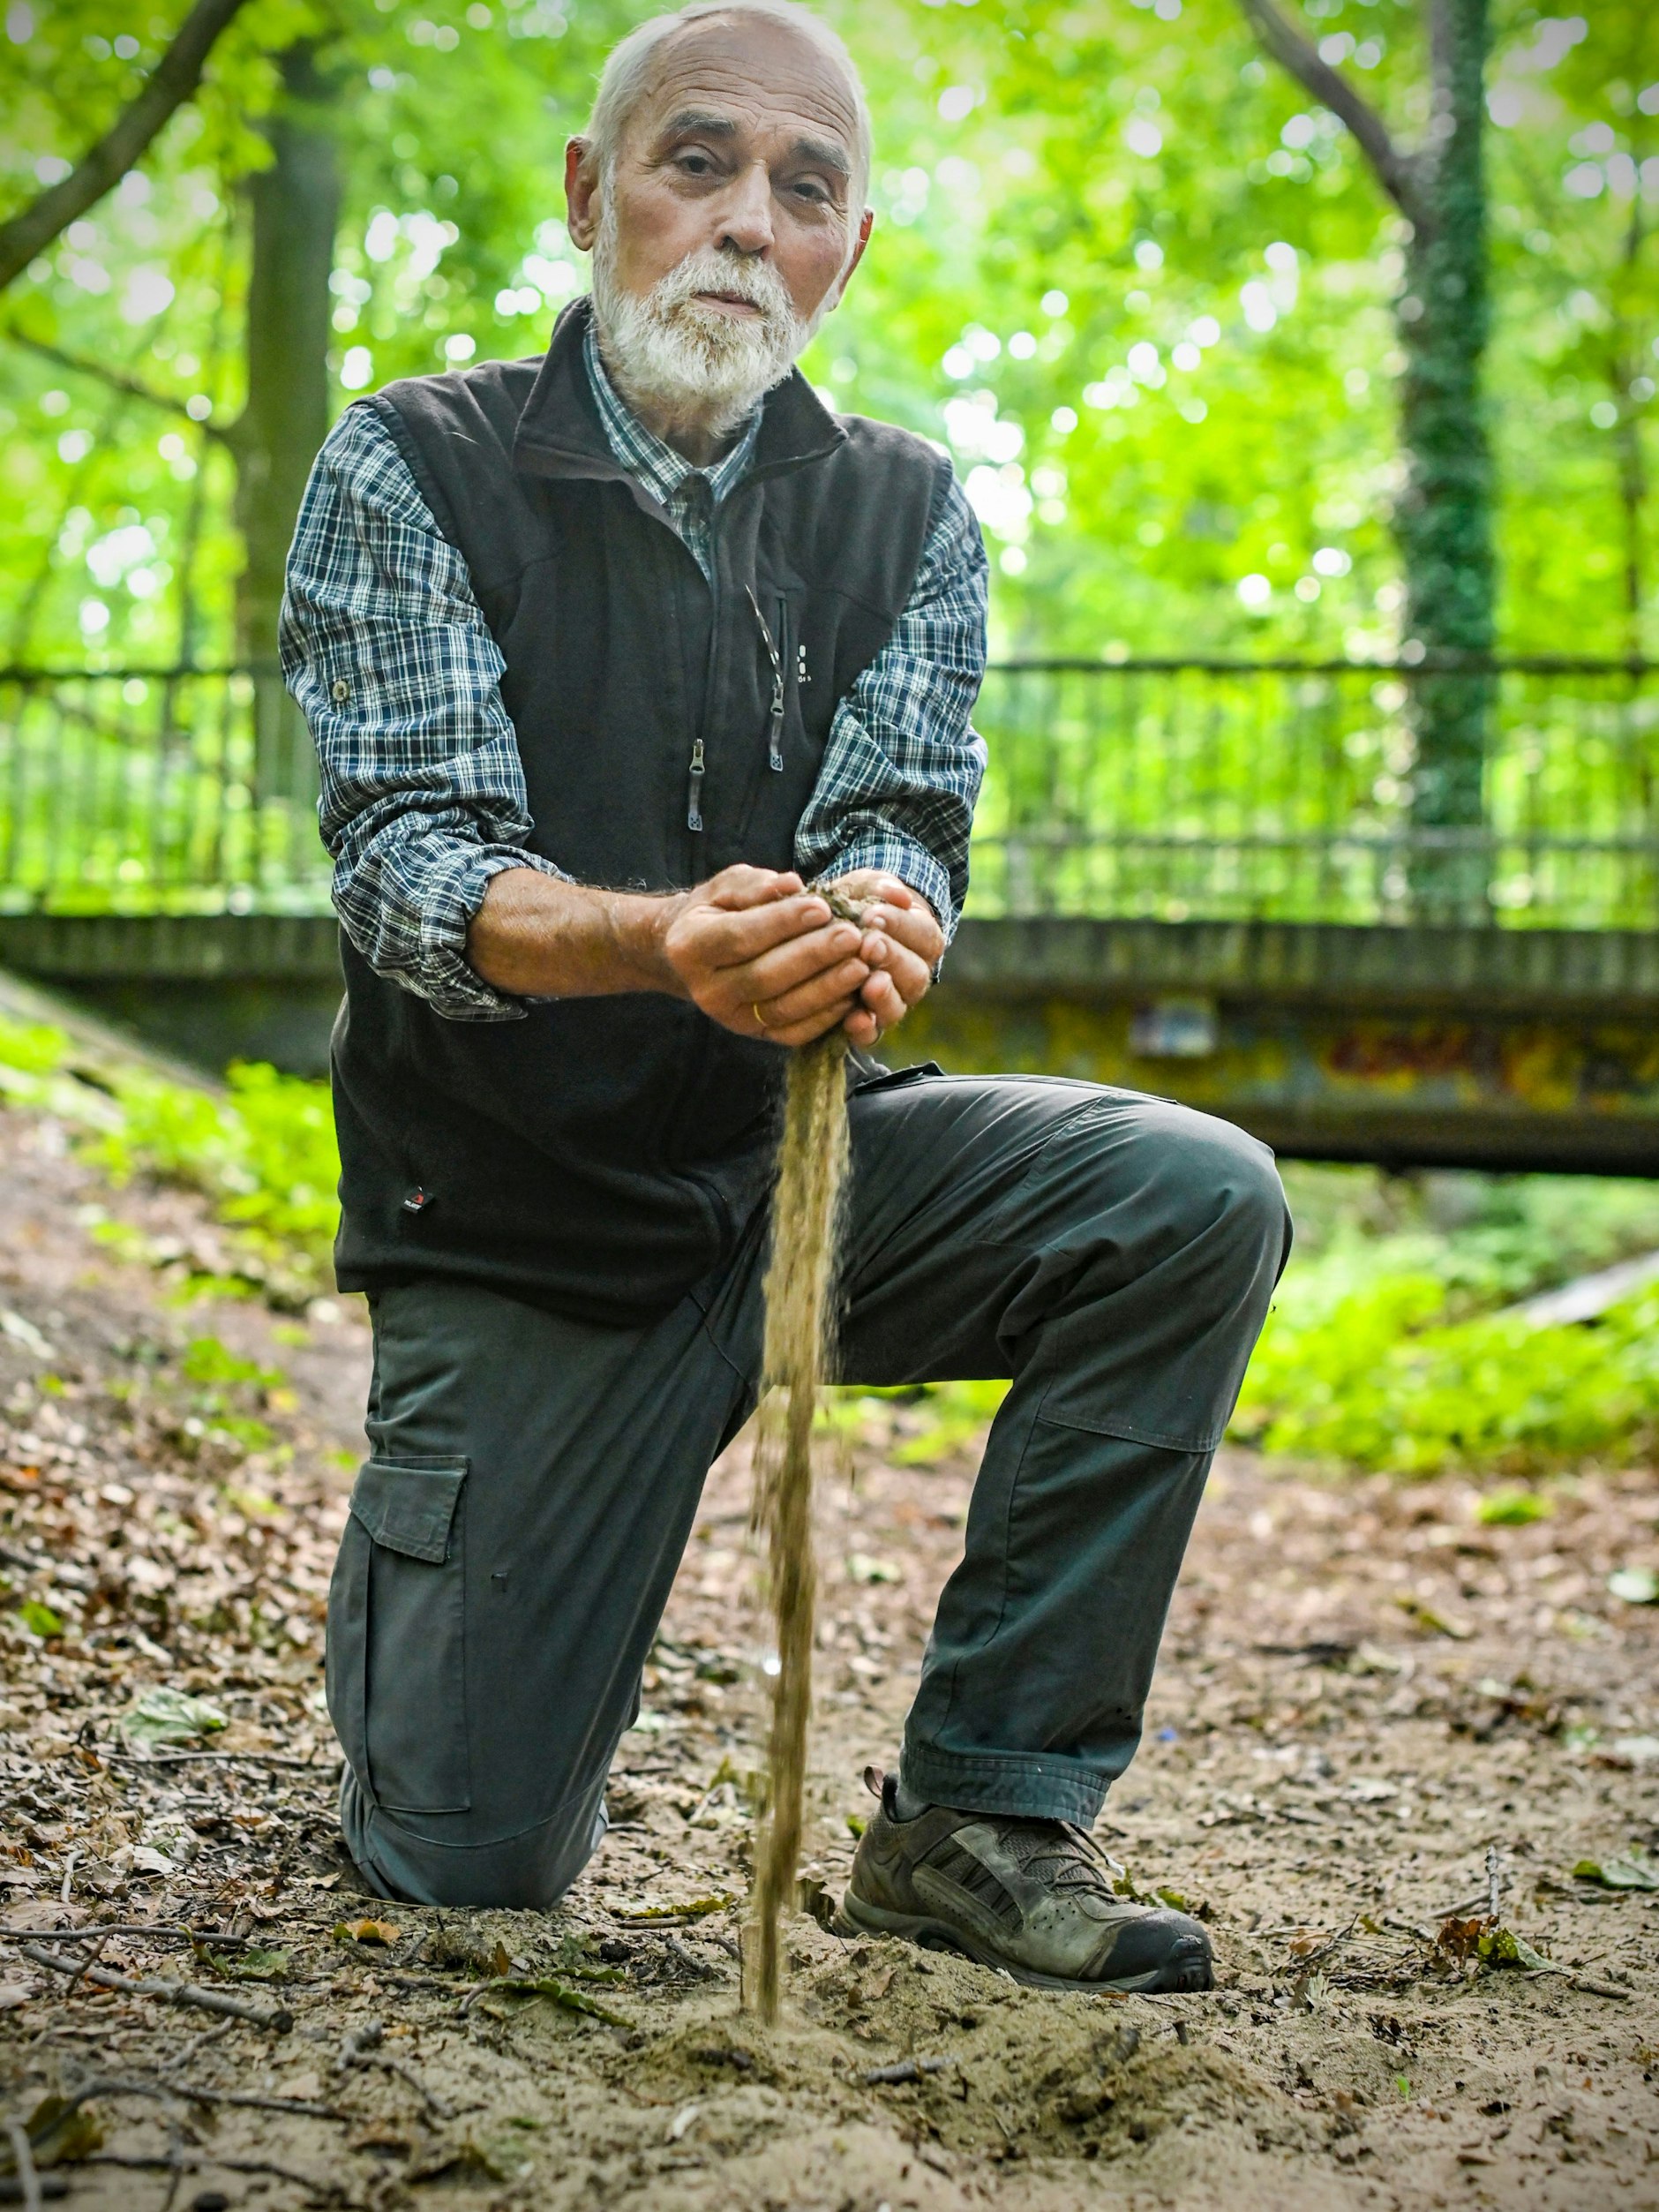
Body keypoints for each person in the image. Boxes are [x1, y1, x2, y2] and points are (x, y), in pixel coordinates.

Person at [281, 0, 1290, 1995]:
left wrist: (885, 919)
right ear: (593, 193)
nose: (749, 220)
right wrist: (662, 942)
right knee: (460, 1862)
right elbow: (411, 869)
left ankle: (979, 1811)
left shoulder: (907, 508)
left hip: (801, 1183)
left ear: (847, 247)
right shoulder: (414, 464)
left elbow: (903, 808)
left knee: (1193, 1194)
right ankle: (478, 1585)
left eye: (804, 187)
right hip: (519, 1227)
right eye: (700, 163)